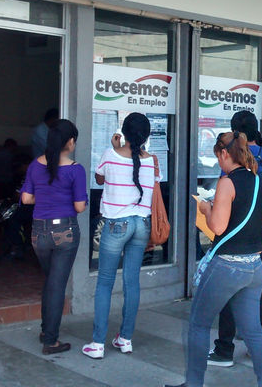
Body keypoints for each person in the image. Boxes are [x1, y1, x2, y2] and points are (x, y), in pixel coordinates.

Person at [167, 131, 262, 387]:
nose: (218, 162)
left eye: (218, 157)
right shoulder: (259, 180)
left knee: (199, 324)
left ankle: (193, 384)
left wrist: (207, 208)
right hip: (254, 266)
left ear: (224, 153)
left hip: (228, 266)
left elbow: (216, 226)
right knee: (254, 331)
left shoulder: (227, 182)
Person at [208, 111, 262, 367]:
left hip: (236, 234)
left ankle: (224, 348)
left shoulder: (235, 160)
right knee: (259, 289)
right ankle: (257, 343)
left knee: (229, 291)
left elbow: (223, 211)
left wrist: (208, 211)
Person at [82, 113, 156, 359]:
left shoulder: (110, 154)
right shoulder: (152, 160)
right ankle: (125, 339)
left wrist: (114, 148)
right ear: (146, 135)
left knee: (105, 282)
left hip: (116, 225)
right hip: (141, 224)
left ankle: (97, 344)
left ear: (123, 133)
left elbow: (99, 179)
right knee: (132, 282)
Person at [21, 119, 87, 355]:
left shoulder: (34, 165)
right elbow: (80, 207)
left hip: (39, 232)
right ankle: (50, 341)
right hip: (64, 232)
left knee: (51, 282)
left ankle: (45, 330)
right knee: (56, 286)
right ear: (70, 142)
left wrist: (46, 198)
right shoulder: (75, 169)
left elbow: (26, 199)